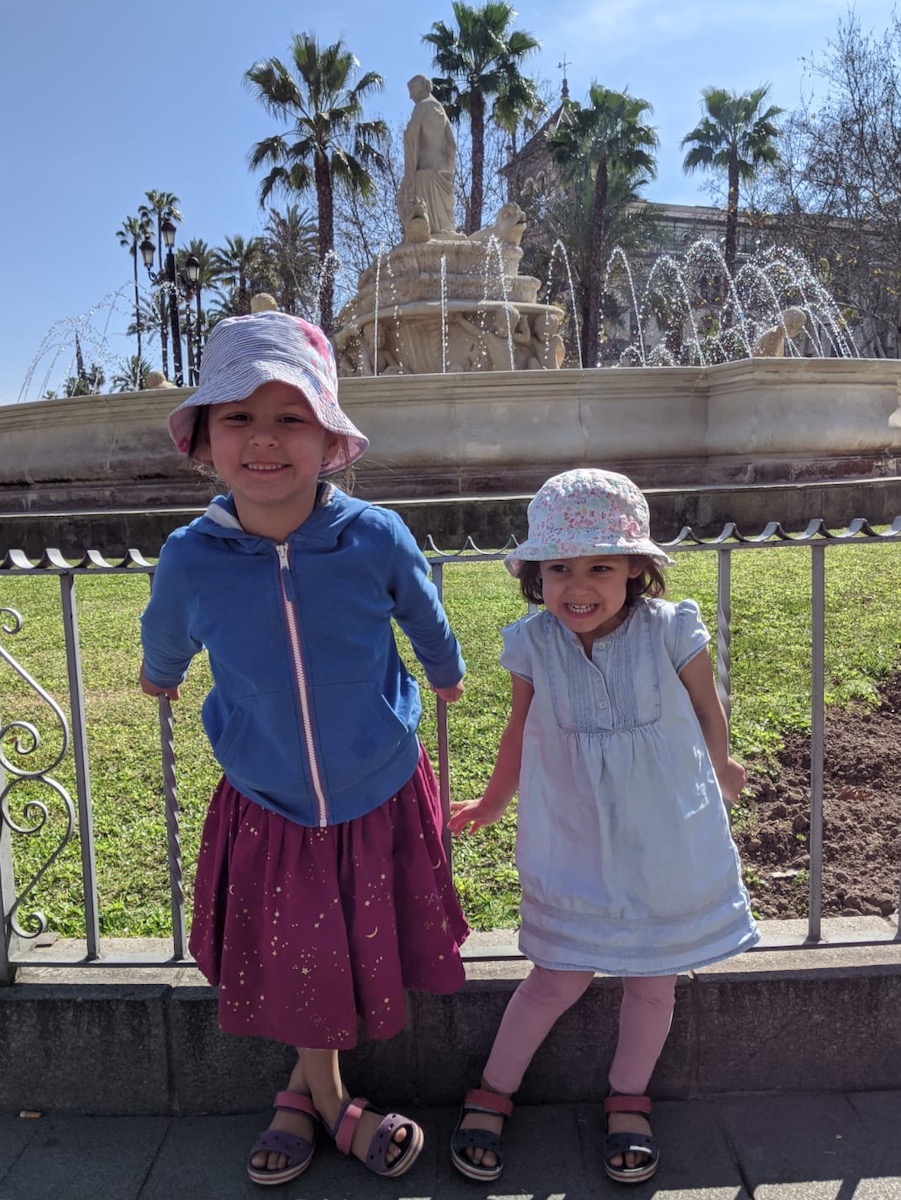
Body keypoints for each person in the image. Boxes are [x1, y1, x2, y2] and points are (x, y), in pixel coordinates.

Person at [139, 310, 468, 1186]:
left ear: (329, 439)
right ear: (204, 441)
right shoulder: (190, 556)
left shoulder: (374, 535)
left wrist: (445, 673)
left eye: (291, 417)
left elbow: (422, 611)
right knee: (304, 952)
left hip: (376, 782)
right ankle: (330, 1102)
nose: (264, 439)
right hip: (270, 796)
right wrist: (158, 675)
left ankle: (303, 1092)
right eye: (238, 417)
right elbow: (166, 631)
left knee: (342, 945)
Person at [448, 468, 758, 1185]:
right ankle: (492, 1090)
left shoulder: (671, 629)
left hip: (663, 838)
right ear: (536, 576)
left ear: (634, 570)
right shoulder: (533, 643)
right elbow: (519, 730)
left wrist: (722, 765)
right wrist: (492, 802)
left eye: (600, 567)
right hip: (574, 834)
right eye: (559, 568)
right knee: (556, 977)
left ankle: (628, 1100)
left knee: (654, 981)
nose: (577, 586)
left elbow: (706, 708)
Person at [397, 74, 458, 240]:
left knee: (403, 199)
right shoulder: (440, 109)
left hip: (423, 174)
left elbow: (412, 138)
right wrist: (448, 170)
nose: (410, 97)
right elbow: (452, 145)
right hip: (441, 174)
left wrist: (410, 177)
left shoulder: (422, 107)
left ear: (422, 86)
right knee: (444, 227)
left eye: (412, 90)